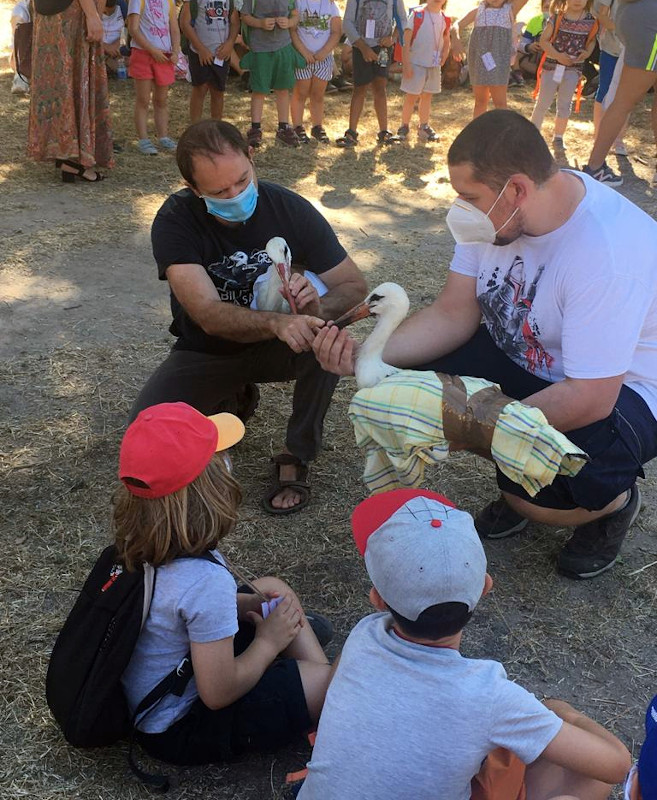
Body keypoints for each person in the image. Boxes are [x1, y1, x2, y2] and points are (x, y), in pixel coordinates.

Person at [313, 109, 657, 579]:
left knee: (536, 496)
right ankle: (519, 466)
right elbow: (453, 313)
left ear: (516, 189)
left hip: (623, 389)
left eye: (469, 197)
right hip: (531, 355)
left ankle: (612, 501)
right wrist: (366, 356)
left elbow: (590, 397)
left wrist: (460, 423)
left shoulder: (606, 254)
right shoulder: (498, 217)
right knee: (408, 384)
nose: (460, 209)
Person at [296, 488, 632, 799]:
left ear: (377, 599)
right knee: (588, 780)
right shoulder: (490, 697)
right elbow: (615, 766)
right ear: (485, 587)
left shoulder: (364, 636)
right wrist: (562, 711)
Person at [130, 119, 367, 515]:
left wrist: (312, 309)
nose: (236, 195)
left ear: (252, 158)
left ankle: (297, 453)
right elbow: (207, 314)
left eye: (242, 180)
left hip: (284, 346)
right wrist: (277, 322)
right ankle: (235, 394)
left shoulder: (288, 207)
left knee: (327, 336)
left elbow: (353, 287)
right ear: (193, 189)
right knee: (145, 428)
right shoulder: (176, 219)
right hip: (209, 349)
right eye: (220, 191)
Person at [117, 401, 332, 765]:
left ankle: (317, 683)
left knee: (270, 588)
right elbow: (217, 693)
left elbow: (171, 614)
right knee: (330, 682)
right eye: (222, 457)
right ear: (212, 489)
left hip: (173, 679)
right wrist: (267, 642)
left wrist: (243, 607)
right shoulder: (203, 582)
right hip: (181, 726)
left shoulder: (138, 545)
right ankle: (329, 697)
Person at [27, 0, 113, 182]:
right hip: (71, 12)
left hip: (49, 14)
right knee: (71, 78)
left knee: (60, 82)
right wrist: (93, 15)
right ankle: (74, 159)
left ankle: (67, 155)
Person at [584, 0, 657, 187]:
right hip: (648, 22)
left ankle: (595, 168)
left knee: (624, 101)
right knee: (624, 101)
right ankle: (594, 168)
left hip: (635, 16)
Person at [336, 0, 407, 147]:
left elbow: (402, 19)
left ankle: (384, 131)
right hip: (360, 47)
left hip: (383, 48)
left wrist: (392, 39)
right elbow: (347, 23)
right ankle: (352, 132)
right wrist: (363, 47)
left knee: (380, 88)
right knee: (359, 88)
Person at [529, 0, 598, 151]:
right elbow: (544, 41)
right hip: (552, 67)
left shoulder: (591, 21)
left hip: (573, 70)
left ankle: (558, 137)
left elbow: (591, 41)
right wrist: (558, 56)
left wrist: (586, 53)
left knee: (565, 104)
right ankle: (532, 134)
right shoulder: (557, 17)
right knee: (543, 102)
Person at [239, 0, 305, 147]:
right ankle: (255, 129)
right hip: (260, 48)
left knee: (282, 88)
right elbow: (245, 16)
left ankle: (283, 127)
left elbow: (295, 16)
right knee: (259, 89)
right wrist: (260, 23)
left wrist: (288, 22)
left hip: (283, 46)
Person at [451, 0, 528, 118]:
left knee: (500, 103)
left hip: (499, 61)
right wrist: (456, 41)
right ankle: (478, 133)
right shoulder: (479, 11)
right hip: (479, 60)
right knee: (480, 102)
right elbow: (456, 26)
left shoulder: (510, 10)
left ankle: (503, 134)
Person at [127, 0, 180, 155]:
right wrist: (152, 50)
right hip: (143, 54)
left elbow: (174, 28)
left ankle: (163, 136)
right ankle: (143, 140)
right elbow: (133, 29)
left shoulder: (169, 1)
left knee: (161, 100)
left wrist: (176, 51)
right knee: (143, 99)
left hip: (164, 56)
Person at [396, 0, 450, 143]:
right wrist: (406, 64)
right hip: (416, 63)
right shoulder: (417, 14)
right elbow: (406, 41)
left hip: (433, 64)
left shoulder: (444, 18)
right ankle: (404, 125)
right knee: (411, 96)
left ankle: (424, 126)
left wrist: (445, 52)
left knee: (427, 96)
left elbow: (446, 37)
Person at [289, 0, 342, 144]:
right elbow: (292, 30)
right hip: (302, 57)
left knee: (318, 94)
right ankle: (297, 127)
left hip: (323, 59)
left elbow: (336, 32)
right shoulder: (297, 3)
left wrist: (324, 52)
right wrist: (304, 52)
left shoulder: (331, 5)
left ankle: (317, 127)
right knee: (300, 92)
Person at [180, 0, 240, 122]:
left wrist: (229, 44)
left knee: (218, 90)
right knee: (200, 88)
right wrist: (201, 49)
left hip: (221, 54)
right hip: (199, 53)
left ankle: (216, 127)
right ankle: (195, 128)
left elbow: (235, 23)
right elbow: (185, 23)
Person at [592, 0, 627, 156]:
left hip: (632, 50)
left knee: (627, 94)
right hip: (610, 49)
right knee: (605, 90)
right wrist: (618, 27)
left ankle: (618, 139)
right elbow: (601, 15)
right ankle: (599, 135)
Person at [515, 0, 549, 79]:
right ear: (542, 9)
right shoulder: (535, 21)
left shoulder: (562, 22)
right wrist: (529, 47)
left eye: (551, 8)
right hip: (534, 57)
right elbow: (521, 44)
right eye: (546, 7)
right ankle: (517, 75)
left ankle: (541, 75)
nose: (549, 11)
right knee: (514, 52)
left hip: (552, 58)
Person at [102, 0, 126, 73]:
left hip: (119, 46)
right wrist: (105, 47)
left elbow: (129, 30)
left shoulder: (122, 6)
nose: (108, 15)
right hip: (99, 47)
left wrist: (116, 45)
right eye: (105, 13)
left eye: (112, 13)